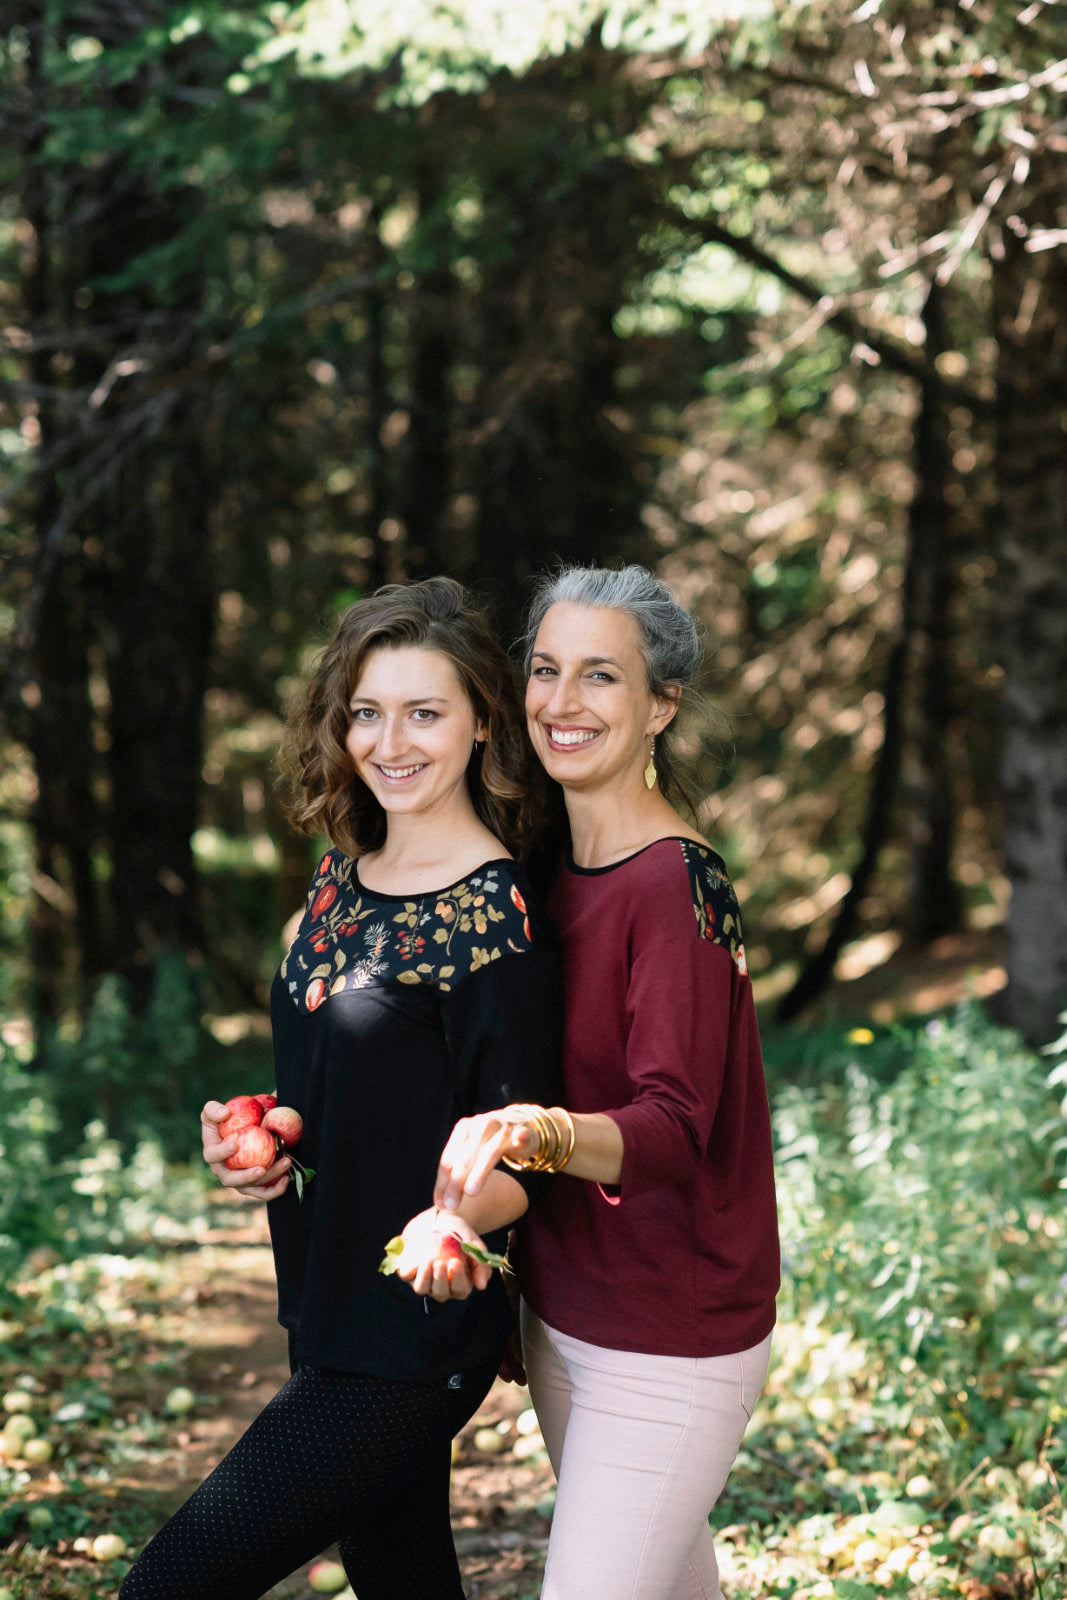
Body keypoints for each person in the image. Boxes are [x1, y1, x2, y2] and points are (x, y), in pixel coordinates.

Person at [120, 576, 562, 1600]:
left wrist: (459, 1223)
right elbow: (332, 1093)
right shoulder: (338, 879)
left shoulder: (497, 918)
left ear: (482, 721)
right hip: (323, 1304)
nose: (389, 740)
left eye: (423, 711)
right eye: (367, 710)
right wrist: (262, 1145)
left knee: (166, 1588)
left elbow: (522, 1152)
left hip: (408, 1341)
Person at [410, 564, 780, 1600]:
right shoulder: (541, 870)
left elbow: (670, 1129)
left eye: (600, 678)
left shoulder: (675, 884)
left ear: (661, 703)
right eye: (544, 670)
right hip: (565, 1312)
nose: (560, 704)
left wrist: (538, 1130)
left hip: (669, 1337)